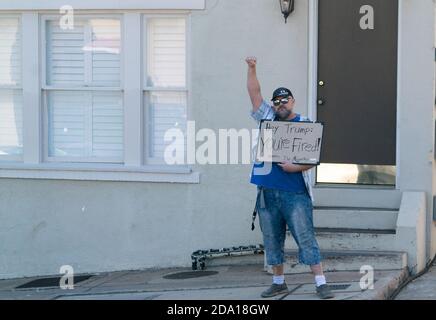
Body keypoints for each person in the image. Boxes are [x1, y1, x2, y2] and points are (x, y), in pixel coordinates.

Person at [246, 56, 334, 299]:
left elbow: (311, 160)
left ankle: (320, 282)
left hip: (295, 193)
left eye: (285, 99)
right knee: (272, 239)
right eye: (277, 101)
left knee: (305, 237)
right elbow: (255, 94)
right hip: (267, 192)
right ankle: (278, 281)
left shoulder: (305, 124)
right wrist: (252, 68)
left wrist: (294, 168)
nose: (281, 103)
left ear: (293, 101)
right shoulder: (268, 118)